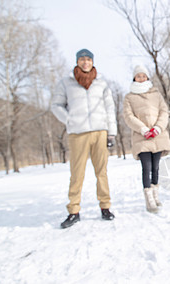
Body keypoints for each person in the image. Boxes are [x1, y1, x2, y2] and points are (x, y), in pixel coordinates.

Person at [52, 48, 117, 229]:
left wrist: (111, 132)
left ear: (93, 62)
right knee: (77, 172)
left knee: (101, 172)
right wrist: (69, 120)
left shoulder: (101, 83)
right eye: (82, 59)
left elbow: (109, 108)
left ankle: (105, 207)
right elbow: (56, 105)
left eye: (88, 59)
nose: (85, 62)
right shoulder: (66, 83)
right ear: (77, 62)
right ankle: (74, 211)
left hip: (99, 131)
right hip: (77, 133)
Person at [123, 65, 170, 213]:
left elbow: (164, 111)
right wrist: (143, 129)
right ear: (134, 78)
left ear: (147, 77)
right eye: (138, 76)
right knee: (147, 167)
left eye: (143, 75)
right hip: (141, 137)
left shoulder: (156, 93)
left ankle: (156, 195)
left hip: (158, 135)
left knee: (156, 167)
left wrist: (158, 127)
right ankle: (148, 199)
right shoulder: (129, 97)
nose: (141, 78)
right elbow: (128, 116)